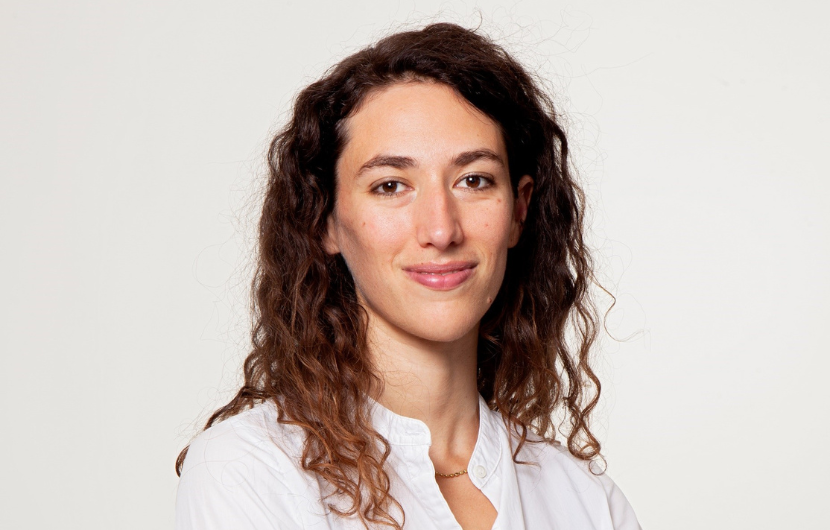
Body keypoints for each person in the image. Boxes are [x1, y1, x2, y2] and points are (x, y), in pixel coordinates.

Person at [175, 22, 641, 530]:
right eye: (391, 185)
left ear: (518, 210)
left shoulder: (588, 502)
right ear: (324, 221)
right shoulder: (249, 472)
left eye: (474, 180)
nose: (441, 230)